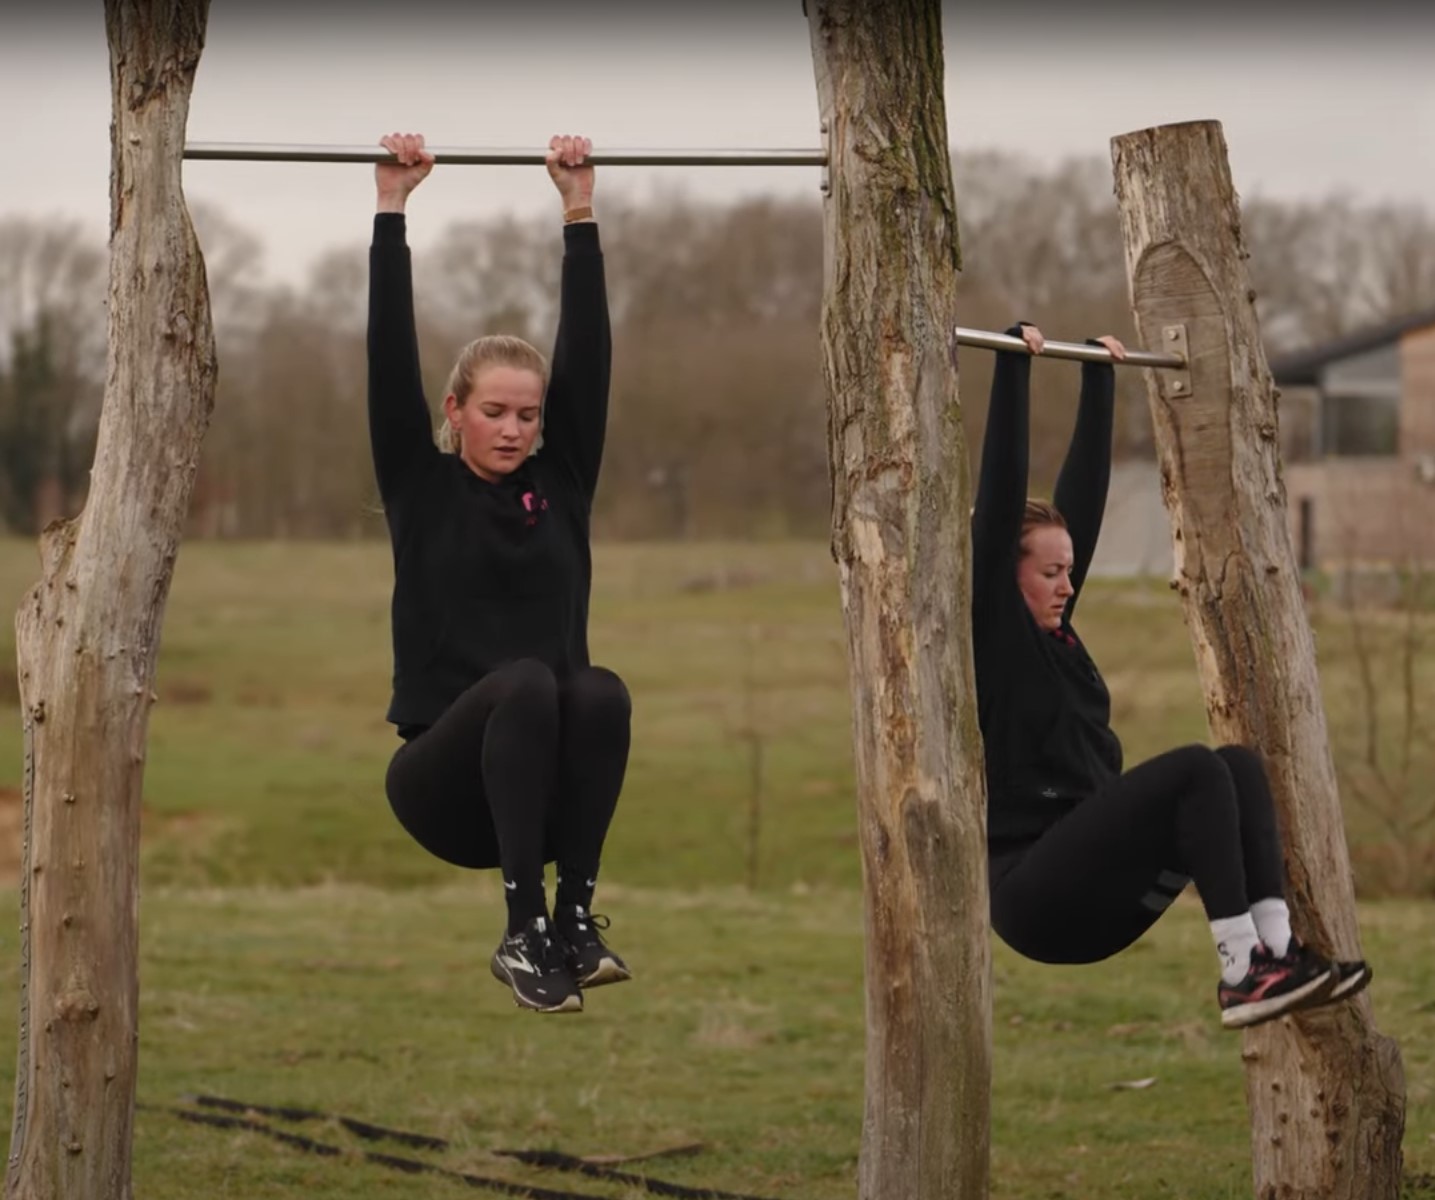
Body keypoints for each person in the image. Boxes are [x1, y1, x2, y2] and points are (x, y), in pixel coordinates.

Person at [973, 321, 1370, 1029]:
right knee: (1191, 769)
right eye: (1049, 572)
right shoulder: (993, 633)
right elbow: (1000, 498)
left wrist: (1100, 380)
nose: (1067, 584)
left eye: (1070, 571)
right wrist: (1013, 366)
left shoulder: (1058, 636)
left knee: (1237, 766)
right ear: (1009, 572)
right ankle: (1239, 967)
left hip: (1095, 890)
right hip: (1034, 897)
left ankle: (1276, 953)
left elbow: (1080, 503)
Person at [368, 131, 631, 1015]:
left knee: (598, 691)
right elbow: (385, 360)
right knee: (525, 681)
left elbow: (589, 359)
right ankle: (519, 932)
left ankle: (573, 920)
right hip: (443, 787)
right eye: (494, 412)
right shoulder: (419, 484)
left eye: (527, 413)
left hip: (540, 790)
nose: (514, 428)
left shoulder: (562, 483)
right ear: (456, 411)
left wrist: (579, 210)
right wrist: (392, 211)